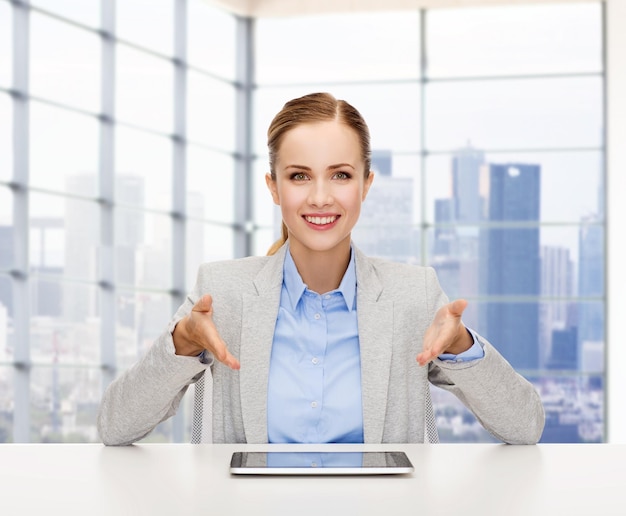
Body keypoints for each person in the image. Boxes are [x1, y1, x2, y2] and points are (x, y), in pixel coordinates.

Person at [97, 92, 545, 446]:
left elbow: (525, 426)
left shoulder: (413, 295)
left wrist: (463, 346)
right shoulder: (223, 293)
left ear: (366, 184)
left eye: (341, 175)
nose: (319, 198)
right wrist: (182, 343)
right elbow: (115, 427)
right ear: (273, 187)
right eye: (298, 176)